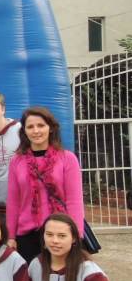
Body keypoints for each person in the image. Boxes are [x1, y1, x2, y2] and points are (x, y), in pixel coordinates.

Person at [7, 106, 84, 264]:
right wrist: (10, 236)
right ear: (24, 131)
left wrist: (77, 234)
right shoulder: (16, 161)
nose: (36, 131)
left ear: (51, 128)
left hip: (59, 233)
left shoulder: (67, 159)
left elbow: (74, 200)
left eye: (41, 125)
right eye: (30, 127)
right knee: (30, 277)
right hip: (27, 235)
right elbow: (13, 202)